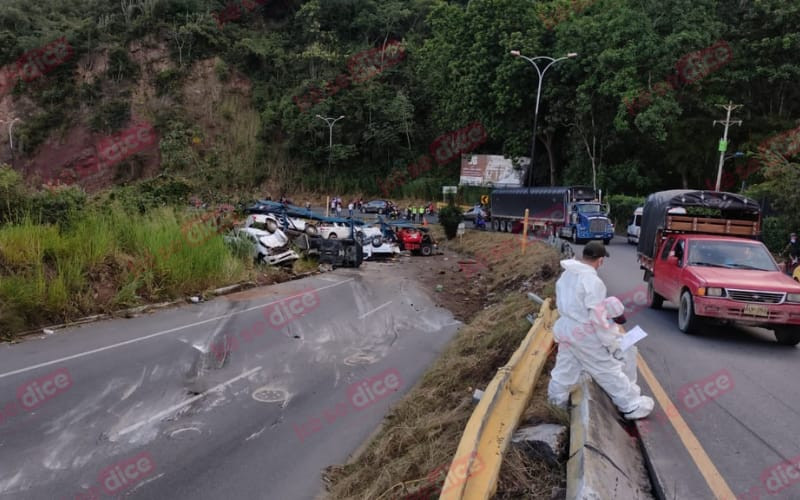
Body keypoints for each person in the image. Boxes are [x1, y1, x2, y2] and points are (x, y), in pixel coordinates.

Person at [547, 241, 654, 420]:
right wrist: (610, 342)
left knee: (565, 368)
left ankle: (555, 402)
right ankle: (630, 405)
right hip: (583, 333)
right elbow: (597, 318)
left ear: (585, 256)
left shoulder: (567, 274)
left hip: (565, 328)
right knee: (606, 368)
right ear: (601, 260)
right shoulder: (593, 281)